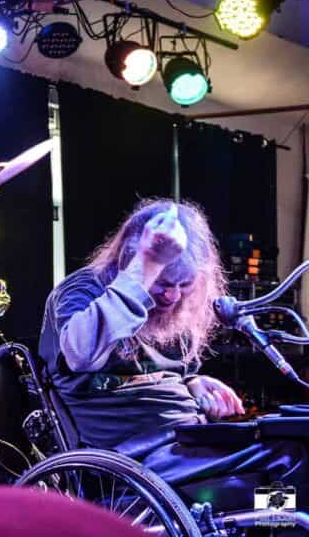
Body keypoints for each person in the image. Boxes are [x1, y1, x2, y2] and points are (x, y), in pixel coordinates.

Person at [40, 199, 307, 512]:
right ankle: (277, 518)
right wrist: (146, 265)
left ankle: (279, 520)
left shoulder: (171, 312)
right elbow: (80, 354)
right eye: (163, 282)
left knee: (297, 450)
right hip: (137, 458)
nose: (173, 295)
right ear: (133, 257)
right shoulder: (82, 289)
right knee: (280, 488)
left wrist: (193, 383)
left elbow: (164, 373)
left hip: (189, 441)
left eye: (185, 284)